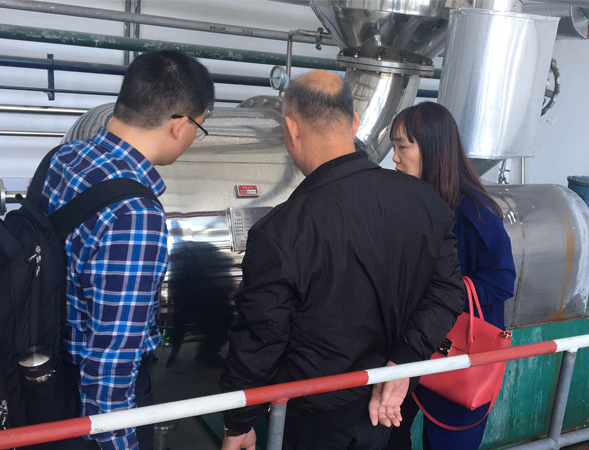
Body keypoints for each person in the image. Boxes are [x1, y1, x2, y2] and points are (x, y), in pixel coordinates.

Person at [219, 71, 465, 450]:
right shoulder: (424, 202)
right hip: (388, 413)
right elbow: (447, 292)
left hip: (314, 423)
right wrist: (403, 361)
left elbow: (261, 338)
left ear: (291, 130)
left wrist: (238, 423)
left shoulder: (280, 231)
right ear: (354, 123)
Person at [39, 50, 214, 449]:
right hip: (89, 403)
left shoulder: (63, 158)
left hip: (45, 367)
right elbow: (112, 360)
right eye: (199, 128)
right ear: (180, 125)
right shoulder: (135, 214)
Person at [385, 101, 516, 450]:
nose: (394, 158)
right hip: (414, 344)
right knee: (388, 432)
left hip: (458, 350)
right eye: (394, 147)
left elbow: (502, 280)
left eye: (402, 147)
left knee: (445, 441)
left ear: (432, 149)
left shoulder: (476, 211)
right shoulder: (414, 200)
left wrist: (443, 291)